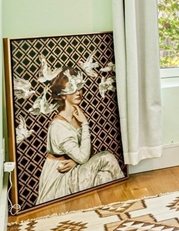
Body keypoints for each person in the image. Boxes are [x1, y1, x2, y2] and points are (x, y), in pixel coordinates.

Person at [35, 69, 124, 205]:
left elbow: (86, 152)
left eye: (79, 87)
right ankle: (124, 200)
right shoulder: (59, 126)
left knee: (104, 176)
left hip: (75, 167)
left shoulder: (76, 116)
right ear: (63, 95)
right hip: (61, 177)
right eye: (72, 88)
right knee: (107, 157)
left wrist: (76, 161)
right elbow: (83, 157)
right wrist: (85, 124)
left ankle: (112, 210)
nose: (78, 92)